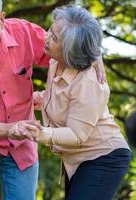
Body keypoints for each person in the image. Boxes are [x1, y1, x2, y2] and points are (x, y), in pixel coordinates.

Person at [0, 0, 104, 199]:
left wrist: (94, 54)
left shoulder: (23, 32)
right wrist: (9, 129)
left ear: (1, 19)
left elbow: (66, 45)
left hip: (22, 140)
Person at [31, 5, 131, 200]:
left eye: (55, 37)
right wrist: (38, 99)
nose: (47, 37)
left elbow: (77, 134)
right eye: (50, 29)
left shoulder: (89, 81)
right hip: (77, 159)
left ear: (70, 50)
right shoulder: (55, 62)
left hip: (104, 157)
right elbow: (64, 99)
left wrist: (42, 134)